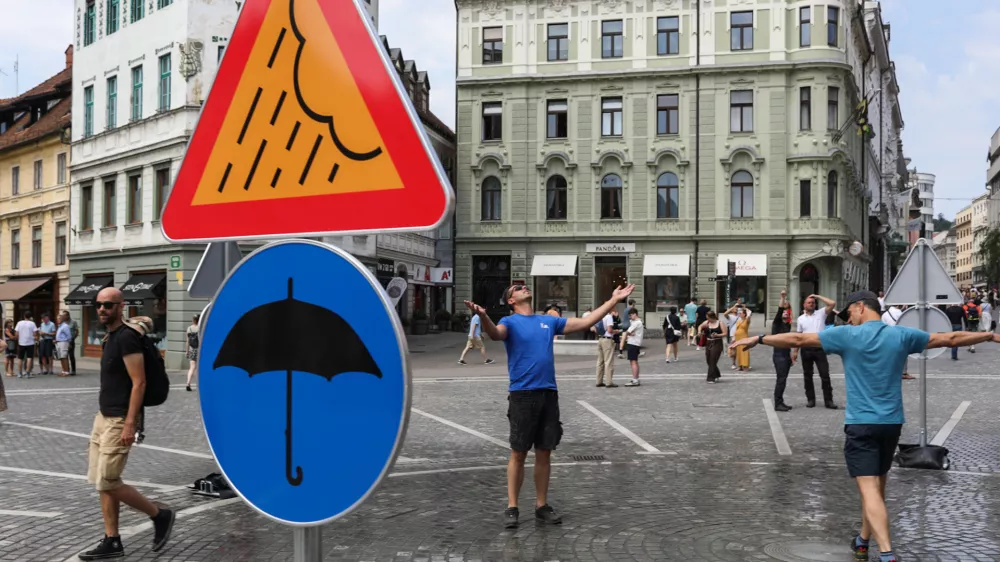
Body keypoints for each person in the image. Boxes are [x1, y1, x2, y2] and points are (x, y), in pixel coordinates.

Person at [730, 290, 1000, 562]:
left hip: (861, 424)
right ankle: (862, 541)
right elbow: (950, 338)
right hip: (891, 424)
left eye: (850, 314)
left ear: (861, 307)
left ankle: (886, 554)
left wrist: (761, 338)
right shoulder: (901, 335)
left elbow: (799, 338)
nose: (849, 319)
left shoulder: (847, 335)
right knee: (877, 488)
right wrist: (988, 335)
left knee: (869, 490)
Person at [464, 281, 635, 529]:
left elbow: (585, 323)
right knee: (518, 452)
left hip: (548, 393)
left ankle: (541, 505)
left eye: (524, 286)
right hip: (522, 394)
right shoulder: (510, 322)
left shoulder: (548, 320)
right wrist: (483, 316)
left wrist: (613, 300)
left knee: (545, 451)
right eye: (517, 288)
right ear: (511, 300)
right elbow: (495, 334)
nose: (524, 288)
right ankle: (512, 506)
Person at [78, 287, 174, 560]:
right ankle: (113, 541)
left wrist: (130, 423)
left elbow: (139, 382)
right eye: (98, 305)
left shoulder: (127, 339)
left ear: (121, 307)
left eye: (108, 305)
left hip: (120, 419)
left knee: (108, 480)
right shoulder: (110, 338)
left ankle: (160, 514)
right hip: (104, 416)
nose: (102, 310)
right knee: (102, 481)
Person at [792, 294, 839, 409]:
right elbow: (798, 335)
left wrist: (817, 296)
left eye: (813, 302)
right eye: (809, 302)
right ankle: (810, 399)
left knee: (825, 375)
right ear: (804, 305)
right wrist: (795, 351)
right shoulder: (801, 319)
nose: (811, 304)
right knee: (808, 375)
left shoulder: (821, 313)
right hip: (806, 348)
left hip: (819, 348)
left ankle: (828, 400)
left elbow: (832, 303)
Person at [772, 290, 793, 411]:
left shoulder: (787, 325)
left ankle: (780, 401)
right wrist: (783, 297)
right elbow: (780, 309)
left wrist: (790, 356)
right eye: (784, 311)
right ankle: (778, 403)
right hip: (779, 356)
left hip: (785, 355)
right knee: (781, 380)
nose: (785, 312)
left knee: (783, 380)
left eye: (787, 310)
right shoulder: (777, 323)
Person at [699, 311, 727, 383]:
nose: (708, 320)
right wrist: (699, 331)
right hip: (708, 342)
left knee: (713, 359)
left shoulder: (720, 323)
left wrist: (717, 335)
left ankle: (711, 378)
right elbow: (700, 326)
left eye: (708, 318)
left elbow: (725, 333)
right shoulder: (707, 322)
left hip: (717, 342)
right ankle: (716, 374)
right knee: (708, 360)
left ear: (712, 317)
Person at [595, 308, 620, 388]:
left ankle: (598, 381)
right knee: (608, 361)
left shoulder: (601, 316)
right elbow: (609, 330)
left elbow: (595, 329)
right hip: (607, 340)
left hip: (600, 339)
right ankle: (609, 382)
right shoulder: (609, 317)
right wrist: (616, 331)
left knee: (600, 362)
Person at [624, 308, 644, 387]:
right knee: (634, 361)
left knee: (633, 362)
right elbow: (630, 332)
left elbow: (628, 332)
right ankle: (636, 378)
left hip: (633, 343)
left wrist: (629, 333)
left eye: (631, 315)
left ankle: (635, 379)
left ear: (635, 314)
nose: (630, 317)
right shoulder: (638, 322)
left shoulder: (636, 323)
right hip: (635, 343)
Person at [14, 312, 38, 379]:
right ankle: (28, 372)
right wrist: (35, 337)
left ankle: (19, 373)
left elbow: (16, 333)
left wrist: (18, 339)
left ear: (24, 316)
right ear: (30, 317)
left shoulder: (19, 323)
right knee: (29, 357)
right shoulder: (32, 323)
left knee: (20, 358)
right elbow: (35, 334)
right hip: (30, 342)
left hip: (21, 342)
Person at [185, 315, 201, 391]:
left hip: (192, 349)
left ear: (193, 320)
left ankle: (188, 383)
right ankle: (199, 384)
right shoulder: (200, 328)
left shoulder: (189, 328)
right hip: (199, 350)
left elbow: (187, 341)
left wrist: (187, 351)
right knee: (199, 368)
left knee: (191, 368)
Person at [733, 307, 751, 372]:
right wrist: (734, 337)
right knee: (739, 351)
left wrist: (748, 312)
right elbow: (736, 329)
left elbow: (748, 317)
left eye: (741, 313)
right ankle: (740, 365)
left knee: (744, 351)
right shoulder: (738, 321)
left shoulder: (747, 320)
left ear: (744, 314)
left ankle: (746, 366)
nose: (740, 314)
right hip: (738, 337)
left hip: (744, 337)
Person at [64, 310, 79, 376]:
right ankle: (67, 369)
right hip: (64, 340)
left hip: (71, 340)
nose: (63, 316)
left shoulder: (73, 322)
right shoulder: (63, 323)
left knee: (71, 355)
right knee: (65, 355)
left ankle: (73, 370)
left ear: (68, 315)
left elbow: (76, 331)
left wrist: (73, 338)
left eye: (64, 315)